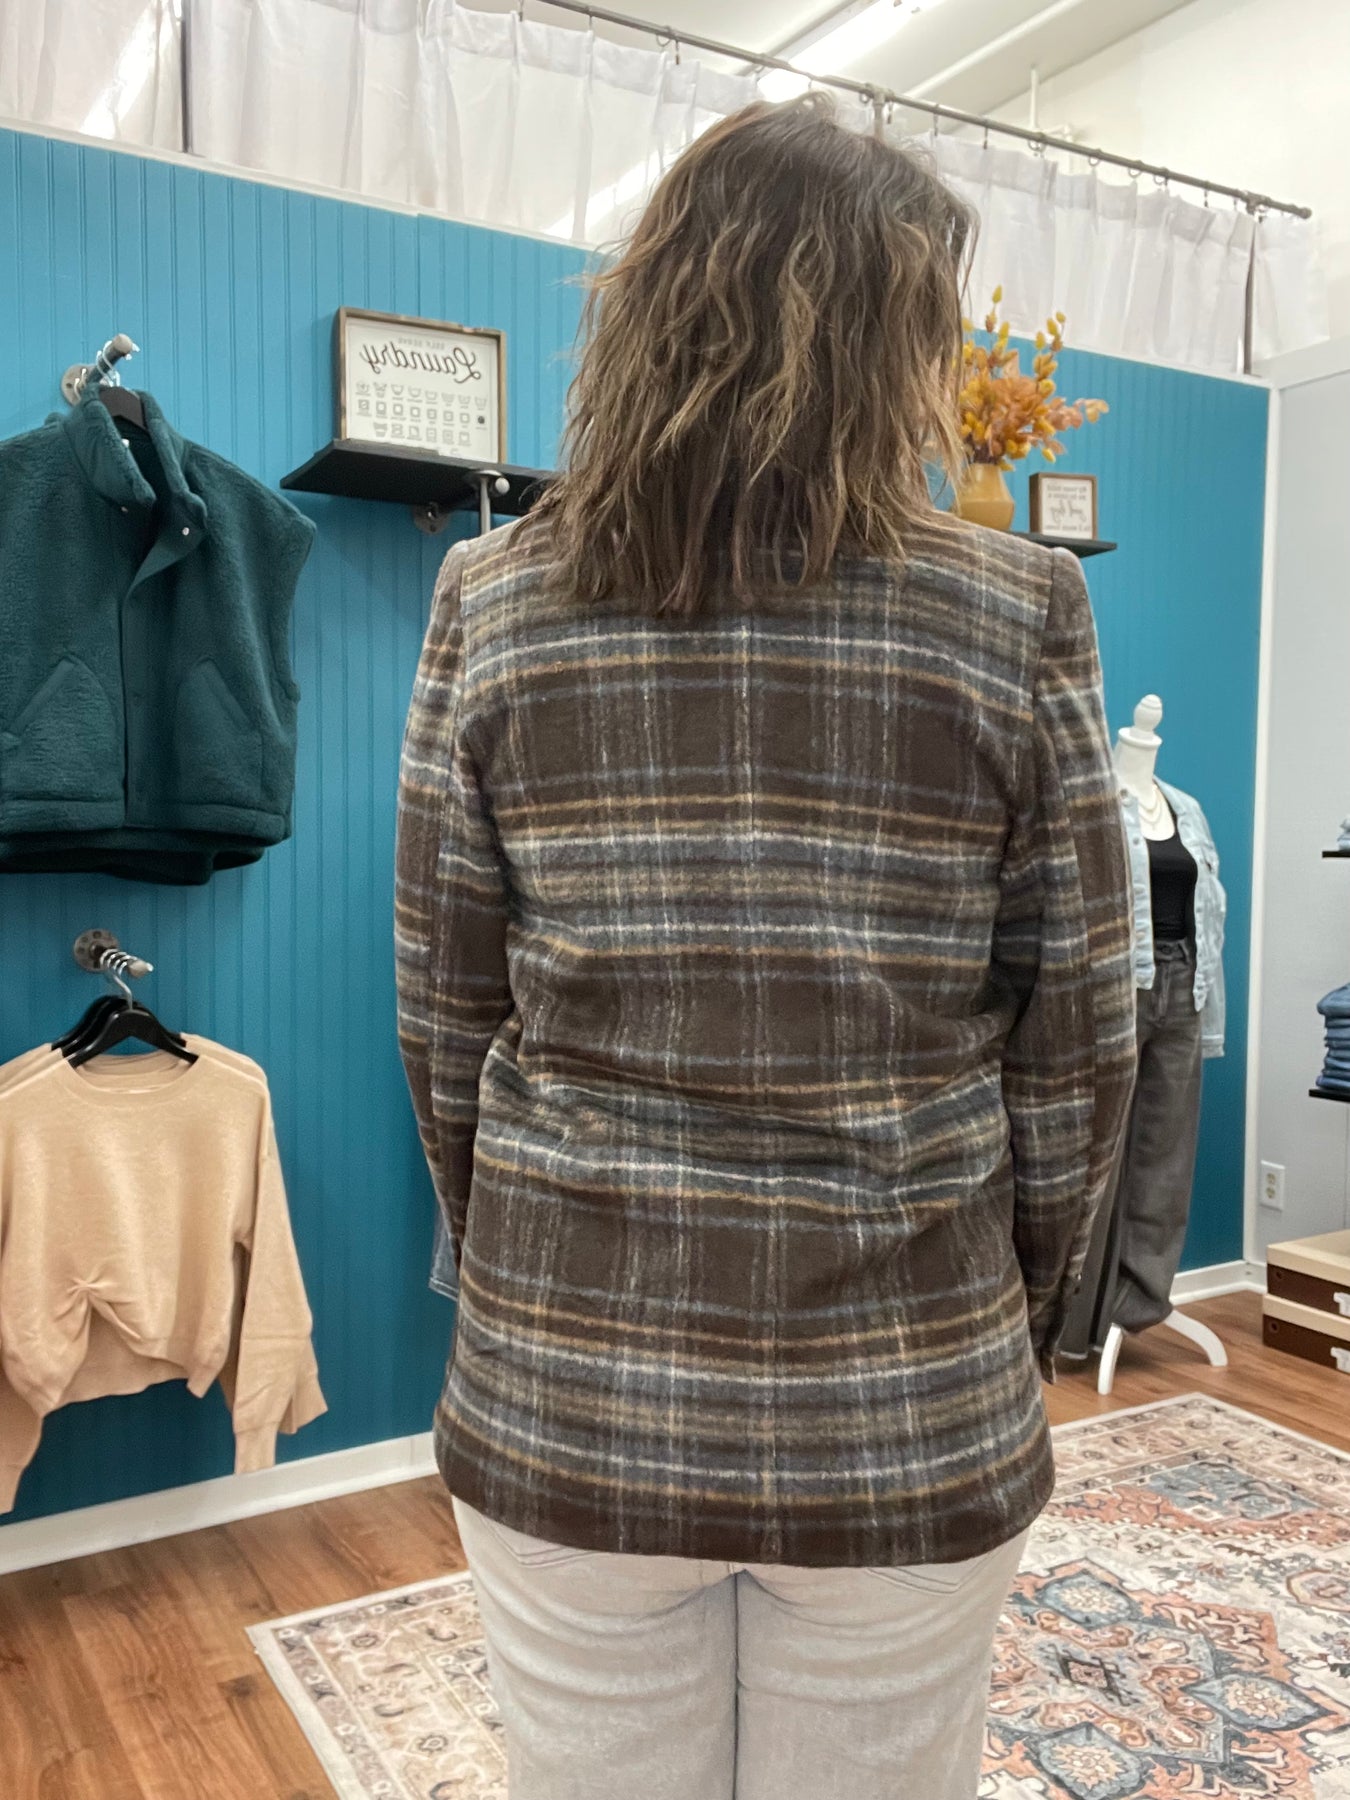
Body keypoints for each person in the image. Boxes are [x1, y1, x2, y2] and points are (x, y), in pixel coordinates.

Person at [396, 94, 1135, 1800]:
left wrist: (523, 1257)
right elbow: (1082, 1032)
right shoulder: (1018, 605)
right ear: (897, 349)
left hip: (570, 1375)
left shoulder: (491, 597)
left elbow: (443, 1008)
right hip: (902, 1379)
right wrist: (999, 1304)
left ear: (650, 310)